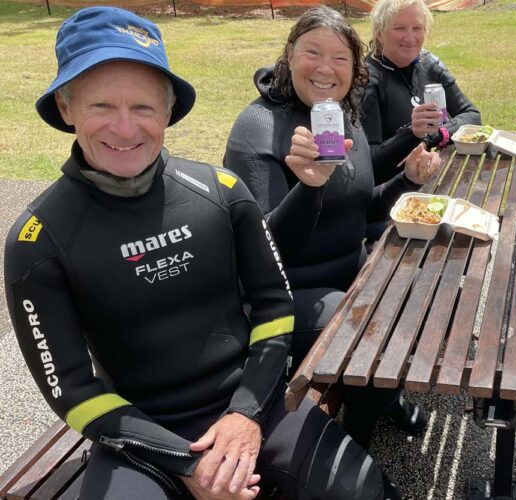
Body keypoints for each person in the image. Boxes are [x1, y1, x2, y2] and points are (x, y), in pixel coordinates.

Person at [5, 7, 386, 499]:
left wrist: (245, 416)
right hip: (140, 439)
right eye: (102, 106)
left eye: (143, 108)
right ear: (65, 106)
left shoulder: (221, 193)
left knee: (363, 489)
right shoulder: (38, 241)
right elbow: (72, 391)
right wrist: (186, 462)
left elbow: (274, 308)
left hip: (255, 406)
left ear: (168, 110)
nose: (125, 130)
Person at [224, 6, 439, 450]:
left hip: (350, 274)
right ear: (289, 54)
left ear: (356, 68)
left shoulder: (341, 113)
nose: (326, 68)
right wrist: (308, 187)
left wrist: (407, 180)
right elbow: (264, 250)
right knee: (376, 326)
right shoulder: (259, 128)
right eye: (312, 53)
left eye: (340, 58)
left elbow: (361, 207)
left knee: (424, 287)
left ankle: (380, 393)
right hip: (288, 294)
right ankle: (354, 442)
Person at [362, 0, 481, 186]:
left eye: (417, 28)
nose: (410, 38)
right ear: (379, 32)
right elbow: (369, 163)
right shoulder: (367, 80)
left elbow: (472, 116)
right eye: (400, 28)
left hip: (438, 174)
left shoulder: (429, 63)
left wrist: (430, 137)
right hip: (392, 191)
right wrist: (412, 134)